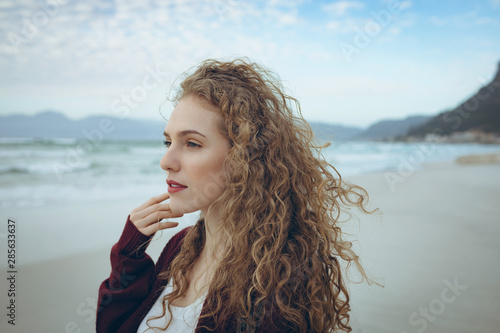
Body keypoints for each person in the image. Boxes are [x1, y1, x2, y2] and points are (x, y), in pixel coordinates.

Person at [96, 58, 375, 333]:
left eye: (192, 143)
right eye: (168, 142)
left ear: (243, 157)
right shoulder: (181, 248)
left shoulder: (277, 274)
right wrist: (128, 255)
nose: (166, 161)